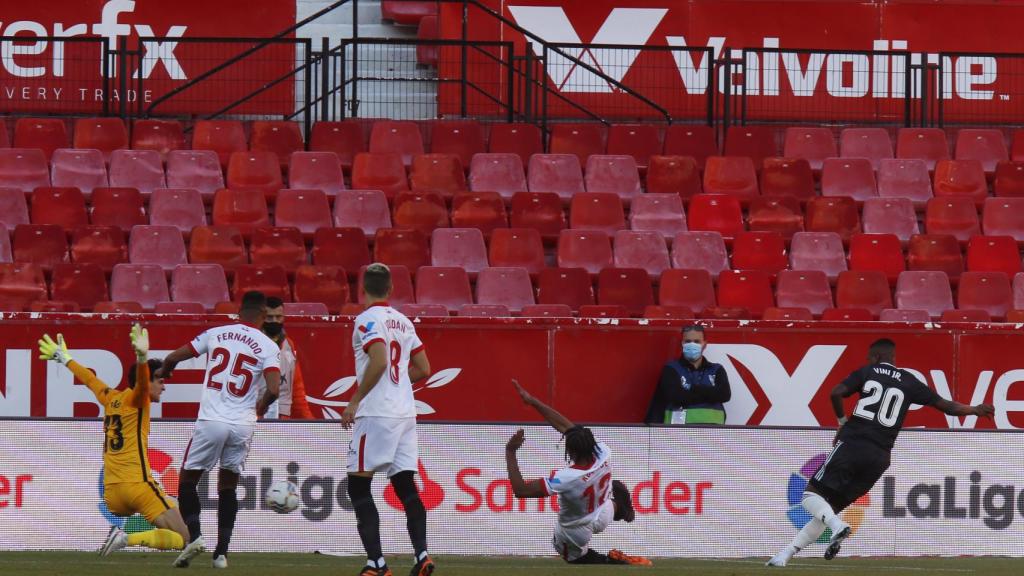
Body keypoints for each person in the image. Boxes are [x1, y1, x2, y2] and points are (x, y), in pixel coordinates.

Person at [767, 338, 994, 567]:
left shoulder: (868, 371)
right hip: (879, 457)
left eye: (869, 358)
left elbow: (836, 393)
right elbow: (947, 406)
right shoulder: (909, 381)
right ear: (893, 358)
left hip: (853, 444)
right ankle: (784, 555)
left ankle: (837, 527)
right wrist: (974, 409)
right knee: (827, 511)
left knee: (809, 497)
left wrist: (842, 422)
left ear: (875, 357)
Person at [37, 325, 191, 557]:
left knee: (175, 525)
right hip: (137, 487)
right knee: (183, 539)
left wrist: (64, 358)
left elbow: (89, 379)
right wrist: (142, 358)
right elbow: (140, 384)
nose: (164, 385)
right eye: (159, 380)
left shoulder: (110, 398)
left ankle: (124, 536)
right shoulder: (139, 399)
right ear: (147, 381)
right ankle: (127, 538)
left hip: (112, 495)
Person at [157, 291, 282, 569]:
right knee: (228, 486)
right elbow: (274, 389)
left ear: (240, 312)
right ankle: (221, 554)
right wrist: (259, 408)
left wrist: (166, 370)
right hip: (242, 424)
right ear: (262, 315)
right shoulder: (268, 345)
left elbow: (175, 356)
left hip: (211, 420)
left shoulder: (217, 333)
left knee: (188, 481)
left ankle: (196, 536)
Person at [340, 263, 434, 576]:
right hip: (405, 413)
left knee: (358, 487)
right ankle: (422, 556)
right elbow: (424, 368)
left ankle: (377, 564)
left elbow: (379, 359)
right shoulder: (404, 322)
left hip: (376, 413)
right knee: (406, 485)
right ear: (391, 289)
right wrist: (399, 384)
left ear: (362, 289)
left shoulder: (366, 319)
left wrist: (354, 400)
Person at [505, 379, 650, 566]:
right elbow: (568, 428)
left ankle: (613, 561)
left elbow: (521, 490)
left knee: (575, 558)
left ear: (571, 452)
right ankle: (622, 508)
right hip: (602, 513)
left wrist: (511, 452)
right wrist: (533, 401)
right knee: (613, 492)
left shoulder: (567, 478)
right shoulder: (604, 451)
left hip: (575, 530)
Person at [645, 325, 731, 425]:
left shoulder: (716, 369)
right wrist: (709, 393)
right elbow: (676, 396)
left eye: (697, 341)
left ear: (704, 344)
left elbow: (725, 395)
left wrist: (694, 389)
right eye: (688, 341)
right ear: (682, 343)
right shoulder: (671, 369)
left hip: (712, 433)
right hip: (677, 433)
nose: (692, 344)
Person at [259, 296, 313, 419]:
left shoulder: (289, 345)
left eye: (278, 317)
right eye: (269, 317)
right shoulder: (253, 344)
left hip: (282, 421)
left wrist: (311, 422)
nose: (274, 321)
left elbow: (296, 389)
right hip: (256, 421)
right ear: (262, 317)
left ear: (283, 317)